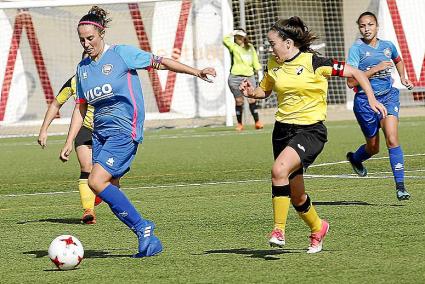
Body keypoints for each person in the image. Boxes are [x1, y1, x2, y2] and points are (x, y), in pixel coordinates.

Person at [59, 6, 216, 258]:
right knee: (109, 189)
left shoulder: (121, 54)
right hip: (100, 134)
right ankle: (148, 240)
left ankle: (144, 227)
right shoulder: (83, 68)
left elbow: (160, 62)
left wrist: (196, 71)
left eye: (90, 38)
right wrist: (69, 141)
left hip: (124, 130)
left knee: (95, 181)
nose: (86, 44)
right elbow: (82, 106)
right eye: (82, 40)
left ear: (101, 34)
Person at [239, 16, 387, 253]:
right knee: (297, 197)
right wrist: (250, 92)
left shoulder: (315, 62)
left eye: (272, 43)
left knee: (278, 171)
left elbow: (357, 73)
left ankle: (278, 230)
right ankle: (319, 228)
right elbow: (264, 90)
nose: (270, 47)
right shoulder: (272, 63)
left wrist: (371, 98)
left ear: (288, 43)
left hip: (310, 131)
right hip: (282, 132)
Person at [346, 12, 413, 201]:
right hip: (365, 103)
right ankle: (355, 158)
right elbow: (351, 83)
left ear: (377, 26)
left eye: (370, 24)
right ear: (359, 28)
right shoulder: (356, 50)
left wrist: (402, 77)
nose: (366, 28)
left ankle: (400, 187)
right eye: (362, 26)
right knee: (373, 148)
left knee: (392, 138)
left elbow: (398, 59)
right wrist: (374, 69)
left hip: (388, 97)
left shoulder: (388, 46)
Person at [38, 72, 102, 225]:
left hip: (107, 129)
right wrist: (44, 129)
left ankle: (98, 191)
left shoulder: (107, 77)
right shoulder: (75, 81)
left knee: (109, 175)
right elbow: (56, 103)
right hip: (84, 128)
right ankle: (88, 211)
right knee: (86, 167)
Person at [223, 28, 263, 131]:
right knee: (239, 101)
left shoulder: (250, 47)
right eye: (237, 37)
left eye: (241, 36)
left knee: (252, 98)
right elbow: (225, 40)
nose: (239, 39)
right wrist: (233, 33)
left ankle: (257, 122)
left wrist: (259, 72)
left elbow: (255, 61)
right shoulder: (233, 47)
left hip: (249, 77)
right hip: (235, 77)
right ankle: (240, 124)